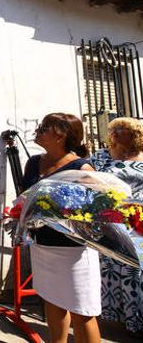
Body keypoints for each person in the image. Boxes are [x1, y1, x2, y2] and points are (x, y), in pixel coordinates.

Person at [20, 113, 100, 343]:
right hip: (43, 246)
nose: (39, 129)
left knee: (82, 311)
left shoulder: (82, 168)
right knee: (52, 301)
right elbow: (25, 197)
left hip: (73, 251)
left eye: (45, 127)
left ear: (61, 135)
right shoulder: (34, 162)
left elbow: (95, 213)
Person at [91, 117, 143, 336]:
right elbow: (89, 180)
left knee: (135, 270)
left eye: (120, 129)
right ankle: (116, 318)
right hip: (110, 222)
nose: (114, 132)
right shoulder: (101, 157)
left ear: (134, 134)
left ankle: (136, 321)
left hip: (138, 223)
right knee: (110, 269)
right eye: (112, 129)